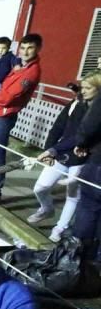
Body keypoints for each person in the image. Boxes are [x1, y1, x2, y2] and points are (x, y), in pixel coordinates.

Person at [0, 34, 43, 202]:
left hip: (3, 116)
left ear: (38, 49)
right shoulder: (18, 65)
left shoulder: (31, 72)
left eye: (30, 48)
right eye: (23, 48)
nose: (26, 52)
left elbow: (7, 98)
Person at [30, 75, 97, 242]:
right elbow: (59, 126)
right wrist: (49, 148)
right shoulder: (76, 103)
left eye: (88, 88)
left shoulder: (95, 109)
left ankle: (60, 227)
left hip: (83, 157)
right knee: (41, 187)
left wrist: (53, 149)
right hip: (62, 152)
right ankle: (47, 208)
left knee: (73, 195)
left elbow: (81, 135)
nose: (83, 91)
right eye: (83, 87)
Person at [64, 65, 101, 260]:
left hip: (98, 164)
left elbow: (89, 126)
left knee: (88, 208)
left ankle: (77, 258)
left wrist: (82, 142)